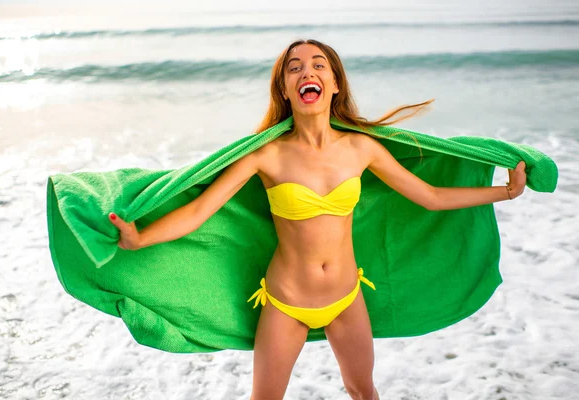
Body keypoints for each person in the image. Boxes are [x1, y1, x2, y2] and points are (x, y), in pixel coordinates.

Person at [107, 39, 527, 400]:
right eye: (294, 68)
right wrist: (140, 240)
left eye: (318, 65)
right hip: (285, 304)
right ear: (286, 90)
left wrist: (505, 191)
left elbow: (431, 197)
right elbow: (200, 211)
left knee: (364, 392)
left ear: (334, 84)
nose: (306, 71)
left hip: (347, 299)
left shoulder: (362, 149)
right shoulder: (264, 155)